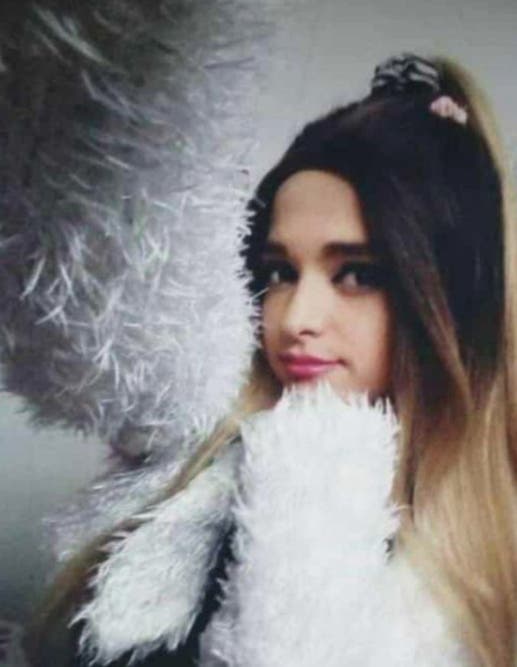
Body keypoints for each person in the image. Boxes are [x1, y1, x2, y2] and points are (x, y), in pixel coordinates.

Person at [28, 53, 517, 666]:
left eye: (358, 274)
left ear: (448, 298)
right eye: (279, 272)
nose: (294, 318)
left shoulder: (491, 562)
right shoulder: (190, 483)